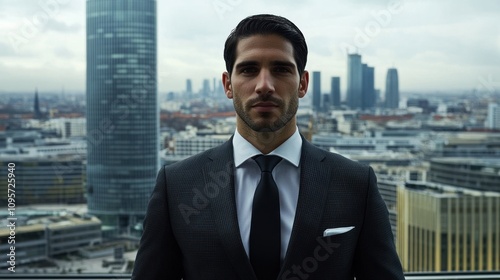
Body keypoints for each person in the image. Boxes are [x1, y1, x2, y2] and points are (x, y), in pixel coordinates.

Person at [132, 14, 405, 280]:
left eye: (281, 69)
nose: (264, 85)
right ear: (228, 84)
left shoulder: (356, 184)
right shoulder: (177, 184)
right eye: (249, 69)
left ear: (303, 83)